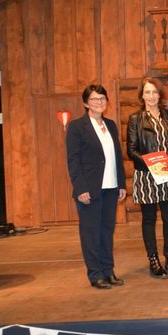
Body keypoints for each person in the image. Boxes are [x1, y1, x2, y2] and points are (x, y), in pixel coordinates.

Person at [65, 84, 127, 289]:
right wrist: (80, 188)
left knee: (107, 231)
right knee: (91, 233)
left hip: (111, 187)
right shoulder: (76, 127)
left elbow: (117, 157)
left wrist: (121, 183)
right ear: (86, 103)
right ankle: (95, 274)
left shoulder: (111, 125)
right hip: (89, 189)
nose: (99, 102)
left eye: (102, 98)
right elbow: (73, 161)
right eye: (94, 99)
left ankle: (108, 271)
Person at [126, 77, 168, 279]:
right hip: (146, 176)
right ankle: (153, 259)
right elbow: (131, 150)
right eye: (147, 92)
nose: (151, 96)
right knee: (149, 219)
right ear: (142, 95)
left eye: (154, 92)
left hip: (167, 174)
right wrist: (150, 163)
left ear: (160, 95)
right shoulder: (135, 119)